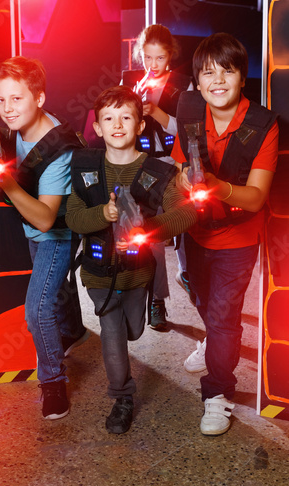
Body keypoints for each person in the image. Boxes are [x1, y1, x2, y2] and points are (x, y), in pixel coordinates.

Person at [66, 86, 197, 434]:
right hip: (99, 274)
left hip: (139, 274)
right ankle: (122, 397)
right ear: (97, 127)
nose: (117, 124)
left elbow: (186, 214)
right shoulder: (84, 168)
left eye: (126, 116)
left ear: (140, 125)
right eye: (108, 118)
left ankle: (134, 329)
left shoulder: (157, 170)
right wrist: (105, 213)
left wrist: (146, 227)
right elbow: (73, 218)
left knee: (133, 330)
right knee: (111, 331)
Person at [0, 56, 89, 420]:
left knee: (37, 310)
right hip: (30, 230)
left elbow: (46, 218)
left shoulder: (58, 149)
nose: (7, 109)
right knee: (53, 289)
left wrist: (5, 184)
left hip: (57, 234)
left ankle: (53, 383)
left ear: (39, 98)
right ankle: (74, 331)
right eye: (0, 100)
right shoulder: (8, 129)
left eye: (16, 99)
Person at [171, 33, 278, 435]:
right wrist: (184, 181)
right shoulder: (189, 111)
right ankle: (213, 342)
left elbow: (255, 198)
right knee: (197, 293)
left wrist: (216, 187)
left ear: (241, 77)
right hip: (194, 230)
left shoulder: (262, 124)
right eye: (207, 72)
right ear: (197, 82)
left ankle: (218, 394)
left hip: (238, 236)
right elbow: (181, 166)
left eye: (227, 70)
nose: (217, 80)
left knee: (224, 316)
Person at [122, 24, 195, 330]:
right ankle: (157, 301)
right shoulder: (129, 81)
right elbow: (117, 124)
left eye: (159, 57)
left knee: (186, 225)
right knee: (149, 234)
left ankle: (188, 275)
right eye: (148, 57)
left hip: (174, 163)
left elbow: (189, 131)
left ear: (170, 56)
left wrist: (157, 113)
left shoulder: (184, 84)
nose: (153, 64)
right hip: (141, 164)